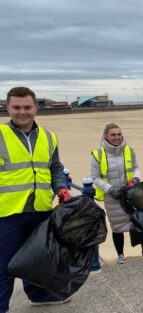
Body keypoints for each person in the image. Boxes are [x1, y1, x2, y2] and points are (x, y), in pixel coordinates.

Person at [0, 87, 71, 312]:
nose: (23, 112)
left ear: (36, 108)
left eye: (27, 107)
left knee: (37, 258)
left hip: (41, 207)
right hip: (8, 212)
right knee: (5, 264)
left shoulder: (49, 137)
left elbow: (55, 169)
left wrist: (61, 189)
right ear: (7, 107)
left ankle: (38, 295)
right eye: (17, 107)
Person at [91, 123, 143, 265]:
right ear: (106, 136)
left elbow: (136, 168)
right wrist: (110, 189)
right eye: (113, 135)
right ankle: (120, 255)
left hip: (132, 194)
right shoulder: (98, 154)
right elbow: (95, 177)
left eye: (119, 134)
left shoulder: (129, 150)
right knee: (117, 226)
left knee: (139, 221)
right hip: (112, 197)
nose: (116, 137)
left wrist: (136, 178)